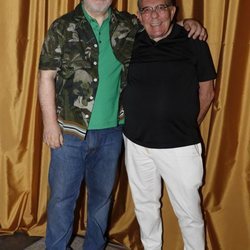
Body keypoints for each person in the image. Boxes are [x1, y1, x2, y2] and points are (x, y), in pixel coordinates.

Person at [38, 0, 207, 249]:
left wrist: (186, 23)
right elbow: (46, 76)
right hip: (70, 132)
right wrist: (49, 124)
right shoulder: (62, 26)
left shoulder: (127, 24)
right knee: (62, 200)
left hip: (112, 134)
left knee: (102, 201)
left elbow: (157, 23)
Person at [122, 0, 216, 249]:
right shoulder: (130, 41)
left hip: (180, 146)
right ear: (139, 16)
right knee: (145, 208)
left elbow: (207, 92)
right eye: (146, 9)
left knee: (190, 215)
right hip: (135, 142)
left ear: (173, 12)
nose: (154, 16)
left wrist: (186, 124)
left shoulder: (193, 40)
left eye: (160, 8)